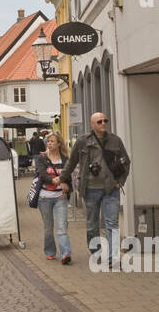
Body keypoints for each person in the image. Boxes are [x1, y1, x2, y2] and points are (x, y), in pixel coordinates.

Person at [64, 112, 131, 269]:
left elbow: (126, 162)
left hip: (110, 189)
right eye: (99, 121)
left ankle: (113, 258)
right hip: (90, 189)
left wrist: (120, 181)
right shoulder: (82, 142)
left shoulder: (115, 140)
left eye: (104, 121)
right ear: (92, 125)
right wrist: (61, 180)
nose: (103, 123)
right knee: (92, 224)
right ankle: (96, 252)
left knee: (112, 223)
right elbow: (71, 162)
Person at [35, 132, 72, 264]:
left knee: (62, 227)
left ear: (59, 143)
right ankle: (50, 251)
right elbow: (42, 175)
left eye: (52, 141)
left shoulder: (66, 159)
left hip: (60, 197)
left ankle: (65, 254)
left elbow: (70, 178)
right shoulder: (42, 158)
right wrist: (57, 181)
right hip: (44, 198)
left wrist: (68, 189)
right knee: (48, 228)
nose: (49, 143)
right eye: (48, 141)